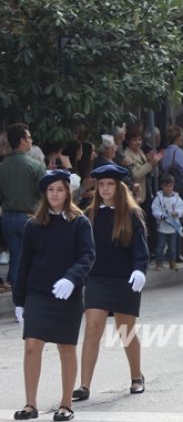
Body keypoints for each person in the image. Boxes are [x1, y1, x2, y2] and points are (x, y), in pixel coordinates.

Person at [12, 170, 95, 421]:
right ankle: (30, 404)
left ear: (67, 192)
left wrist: (72, 278)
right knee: (31, 346)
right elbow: (23, 263)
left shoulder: (80, 222)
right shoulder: (33, 225)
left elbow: (88, 255)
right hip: (38, 293)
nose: (55, 194)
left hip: (67, 295)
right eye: (50, 190)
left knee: (66, 348)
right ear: (45, 194)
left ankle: (66, 404)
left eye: (59, 189)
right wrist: (19, 300)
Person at [72, 164, 149, 402]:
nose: (105, 188)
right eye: (101, 184)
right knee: (92, 327)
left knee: (125, 330)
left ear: (118, 187)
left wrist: (139, 270)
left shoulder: (132, 214)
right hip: (97, 279)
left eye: (110, 184)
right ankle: (84, 385)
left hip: (124, 279)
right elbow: (80, 249)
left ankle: (136, 376)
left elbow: (140, 249)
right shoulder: (90, 214)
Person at [0, 123, 45, 287]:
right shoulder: (35, 166)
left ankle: (15, 289)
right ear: (22, 141)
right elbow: (45, 194)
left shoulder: (2, 167)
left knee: (15, 254)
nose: (31, 140)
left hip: (8, 217)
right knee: (33, 256)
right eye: (29, 137)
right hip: (29, 216)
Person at [151, 174, 183, 270]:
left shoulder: (177, 198)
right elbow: (155, 209)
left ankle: (172, 262)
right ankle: (159, 262)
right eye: (166, 186)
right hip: (162, 226)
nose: (168, 188)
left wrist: (177, 213)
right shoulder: (158, 198)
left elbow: (182, 208)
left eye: (170, 186)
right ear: (162, 186)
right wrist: (160, 215)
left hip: (173, 227)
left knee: (172, 247)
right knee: (160, 246)